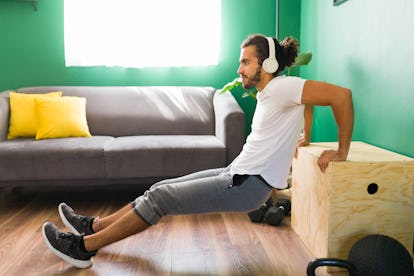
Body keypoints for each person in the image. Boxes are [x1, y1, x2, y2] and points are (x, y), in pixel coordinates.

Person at [42, 34, 354, 268]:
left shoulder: (281, 87)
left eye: (246, 62)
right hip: (237, 173)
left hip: (248, 185)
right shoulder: (272, 92)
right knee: (159, 189)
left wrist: (341, 150)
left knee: (160, 200)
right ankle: (94, 225)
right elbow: (308, 101)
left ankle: (84, 247)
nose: (240, 68)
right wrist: (306, 137)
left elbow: (341, 96)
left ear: (267, 64)